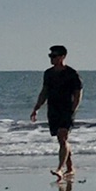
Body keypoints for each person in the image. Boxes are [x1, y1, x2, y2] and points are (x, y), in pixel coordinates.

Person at [30, 44, 83, 180]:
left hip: (67, 109)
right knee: (62, 140)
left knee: (62, 136)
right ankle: (70, 168)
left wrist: (73, 110)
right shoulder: (48, 73)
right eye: (50, 56)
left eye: (54, 56)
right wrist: (36, 108)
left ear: (62, 57)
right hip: (53, 109)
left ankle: (60, 169)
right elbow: (44, 92)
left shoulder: (72, 73)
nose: (51, 58)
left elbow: (78, 93)